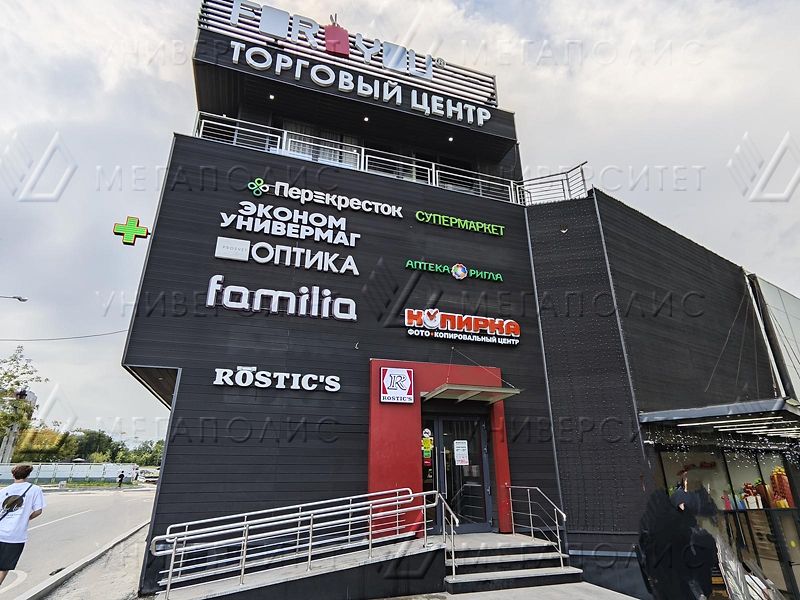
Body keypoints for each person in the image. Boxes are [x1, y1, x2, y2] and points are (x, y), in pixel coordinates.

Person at [0, 464, 45, 585]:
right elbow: (38, 511)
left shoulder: (3, 491)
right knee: (4, 567)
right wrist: (26, 518)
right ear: (28, 475)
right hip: (15, 536)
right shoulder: (34, 490)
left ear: (13, 475)